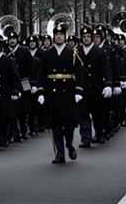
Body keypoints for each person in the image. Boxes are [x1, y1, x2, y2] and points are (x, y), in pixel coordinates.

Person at [38, 25, 84, 164]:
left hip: (68, 92)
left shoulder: (72, 53)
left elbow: (79, 73)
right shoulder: (47, 54)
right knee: (55, 124)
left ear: (65, 36)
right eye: (56, 34)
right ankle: (60, 154)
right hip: (52, 93)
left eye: (61, 34)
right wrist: (41, 92)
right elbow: (41, 74)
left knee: (68, 125)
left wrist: (78, 91)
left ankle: (69, 145)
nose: (58, 36)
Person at [78, 26, 112, 147]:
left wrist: (108, 84)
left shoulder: (99, 51)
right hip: (82, 88)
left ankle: (99, 133)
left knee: (98, 113)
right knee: (83, 114)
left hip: (96, 88)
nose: (86, 39)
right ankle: (85, 138)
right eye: (84, 37)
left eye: (88, 37)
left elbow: (106, 69)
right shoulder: (77, 52)